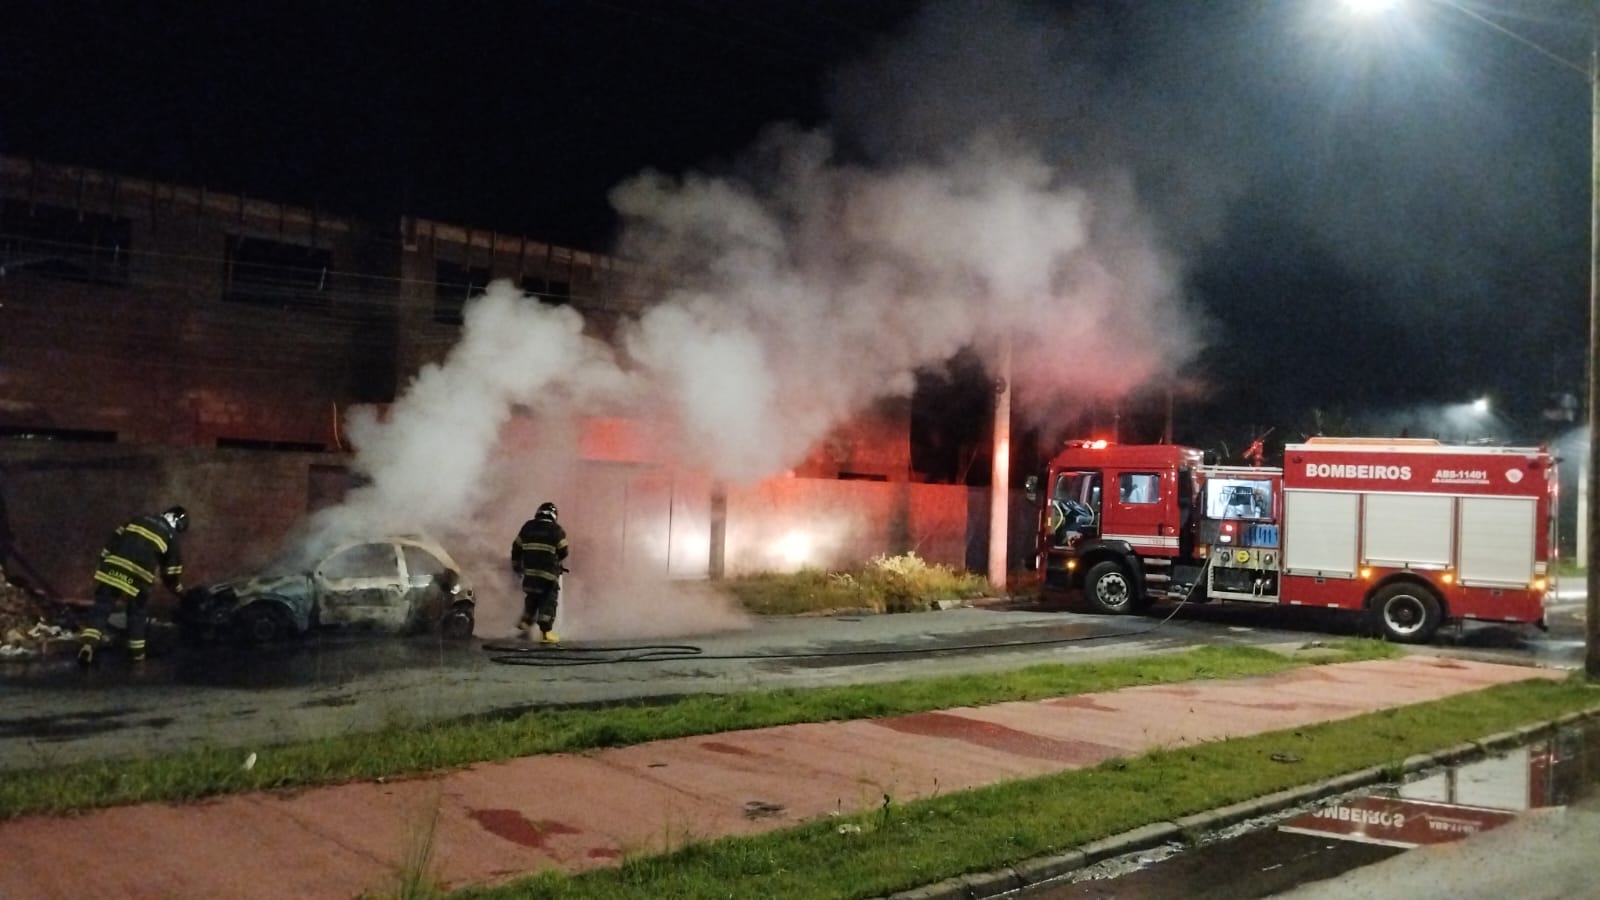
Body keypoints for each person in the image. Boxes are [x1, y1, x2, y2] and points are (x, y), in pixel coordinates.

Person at [78, 505, 188, 666]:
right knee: (137, 614)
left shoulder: (138, 519)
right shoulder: (170, 535)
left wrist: (104, 563)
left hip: (113, 567)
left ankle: (88, 645)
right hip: (138, 578)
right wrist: (180, 591)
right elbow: (171, 572)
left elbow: (113, 540)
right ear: (176, 522)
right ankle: (137, 657)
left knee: (102, 607)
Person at [510, 501, 568, 643]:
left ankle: (525, 625)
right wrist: (557, 561)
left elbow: (516, 547)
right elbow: (564, 550)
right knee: (548, 601)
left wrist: (516, 565)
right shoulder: (556, 530)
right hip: (548, 574)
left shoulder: (528, 527)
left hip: (530, 574)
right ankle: (546, 633)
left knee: (532, 598)